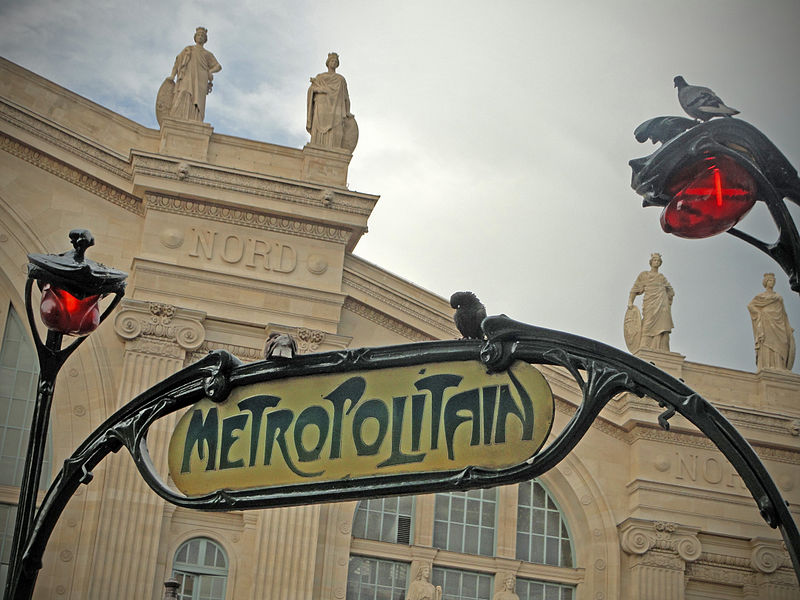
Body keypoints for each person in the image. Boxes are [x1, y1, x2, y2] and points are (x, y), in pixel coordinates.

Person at [168, 27, 221, 121]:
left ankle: (196, 118)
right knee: (184, 91)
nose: (200, 37)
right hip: (187, 75)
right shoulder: (188, 49)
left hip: (201, 78)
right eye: (199, 35)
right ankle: (178, 115)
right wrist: (172, 76)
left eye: (202, 36)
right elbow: (178, 62)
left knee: (198, 100)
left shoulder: (207, 54)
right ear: (195, 37)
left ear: (205, 40)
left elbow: (218, 66)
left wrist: (209, 71)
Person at [627, 253, 675, 351]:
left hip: (662, 305)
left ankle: (662, 349)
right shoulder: (644, 275)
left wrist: (667, 297)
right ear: (651, 262)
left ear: (660, 263)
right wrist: (630, 302)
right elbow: (634, 289)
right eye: (654, 260)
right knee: (647, 324)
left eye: (658, 261)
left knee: (663, 327)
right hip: (650, 304)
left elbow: (671, 291)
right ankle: (644, 346)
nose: (656, 262)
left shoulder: (662, 277)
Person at [748, 273, 795, 370]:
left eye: (773, 281)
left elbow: (783, 313)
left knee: (782, 343)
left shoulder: (778, 296)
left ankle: (780, 366)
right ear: (765, 282)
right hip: (766, 321)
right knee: (767, 343)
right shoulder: (761, 296)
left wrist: (788, 326)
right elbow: (750, 305)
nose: (771, 282)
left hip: (779, 323)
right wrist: (760, 313)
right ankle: (768, 365)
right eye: (769, 280)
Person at [306, 53, 353, 149]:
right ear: (328, 63)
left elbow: (346, 97)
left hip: (336, 107)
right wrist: (321, 90)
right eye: (332, 61)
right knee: (318, 133)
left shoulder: (340, 79)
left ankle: (334, 147)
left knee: (336, 130)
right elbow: (311, 90)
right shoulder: (320, 77)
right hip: (321, 105)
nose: (334, 63)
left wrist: (348, 111)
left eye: (336, 61)